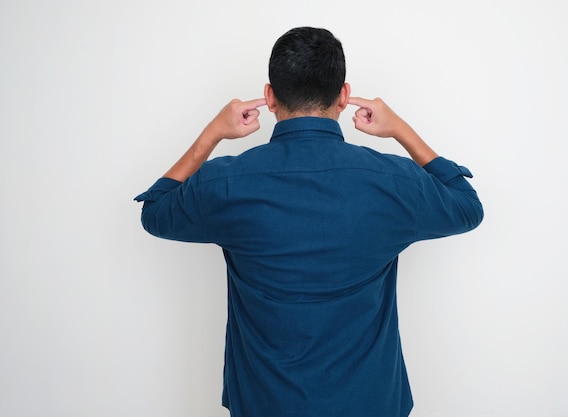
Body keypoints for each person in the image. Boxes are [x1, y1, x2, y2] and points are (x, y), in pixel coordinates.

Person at [135, 27, 483, 417]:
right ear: (344, 96)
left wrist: (214, 133)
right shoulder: (393, 181)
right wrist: (399, 129)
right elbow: (467, 207)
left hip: (265, 403)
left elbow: (155, 210)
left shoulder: (225, 184)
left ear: (270, 97)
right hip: (370, 403)